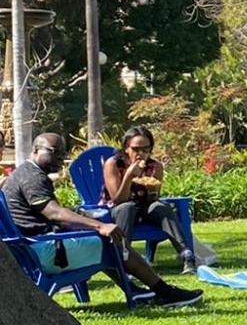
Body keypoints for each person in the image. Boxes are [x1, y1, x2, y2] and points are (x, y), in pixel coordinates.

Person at [4, 133, 203, 308]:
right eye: (54, 152)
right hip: (42, 253)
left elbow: (47, 215)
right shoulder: (33, 178)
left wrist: (82, 216)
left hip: (27, 251)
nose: (60, 158)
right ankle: (165, 293)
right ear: (36, 150)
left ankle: (134, 289)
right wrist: (100, 224)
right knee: (110, 240)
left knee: (98, 239)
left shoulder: (24, 173)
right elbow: (54, 214)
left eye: (63, 153)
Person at [101, 125, 198, 275]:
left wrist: (153, 194)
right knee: (127, 207)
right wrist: (128, 177)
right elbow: (118, 200)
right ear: (126, 147)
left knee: (162, 206)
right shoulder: (113, 164)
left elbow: (152, 201)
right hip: (115, 212)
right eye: (136, 149)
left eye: (146, 149)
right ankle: (124, 258)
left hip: (142, 209)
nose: (141, 154)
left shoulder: (155, 167)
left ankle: (187, 255)